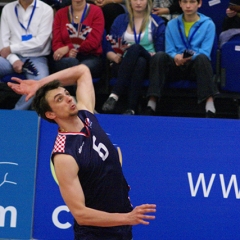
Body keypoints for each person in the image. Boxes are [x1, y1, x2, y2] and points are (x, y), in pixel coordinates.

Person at [8, 64, 156, 239]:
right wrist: (128, 217)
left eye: (67, 94)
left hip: (121, 227)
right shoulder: (64, 154)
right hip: (96, 234)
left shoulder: (86, 115)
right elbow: (80, 214)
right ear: (50, 114)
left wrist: (39, 83)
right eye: (59, 99)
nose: (69, 99)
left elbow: (82, 71)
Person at [144, 0, 219, 118]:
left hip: (195, 66)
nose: (188, 6)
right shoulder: (172, 24)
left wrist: (184, 56)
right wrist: (176, 57)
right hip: (176, 65)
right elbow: (169, 50)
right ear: (180, 4)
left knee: (203, 59)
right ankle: (151, 102)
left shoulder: (208, 24)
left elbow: (205, 51)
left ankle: (209, 104)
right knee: (159, 56)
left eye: (192, 2)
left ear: (199, 4)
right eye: (185, 2)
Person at [101, 0, 165, 115]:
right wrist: (114, 57)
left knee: (135, 48)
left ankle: (115, 94)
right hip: (123, 62)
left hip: (149, 61)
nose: (138, 3)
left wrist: (154, 55)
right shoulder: (120, 20)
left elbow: (161, 51)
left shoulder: (157, 22)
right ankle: (131, 109)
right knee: (139, 62)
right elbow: (109, 47)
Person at [0, 0, 53, 110]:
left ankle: (16, 113)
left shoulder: (46, 10)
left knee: (41, 84)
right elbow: (3, 45)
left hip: (36, 58)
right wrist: (14, 59)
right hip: (10, 58)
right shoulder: (8, 9)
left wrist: (11, 48)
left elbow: (40, 42)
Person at [50, 0, 104, 81]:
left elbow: (94, 42)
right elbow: (56, 43)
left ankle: (75, 93)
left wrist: (69, 47)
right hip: (66, 57)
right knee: (71, 63)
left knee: (81, 69)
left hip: (90, 56)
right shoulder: (60, 14)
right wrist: (68, 53)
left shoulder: (96, 11)